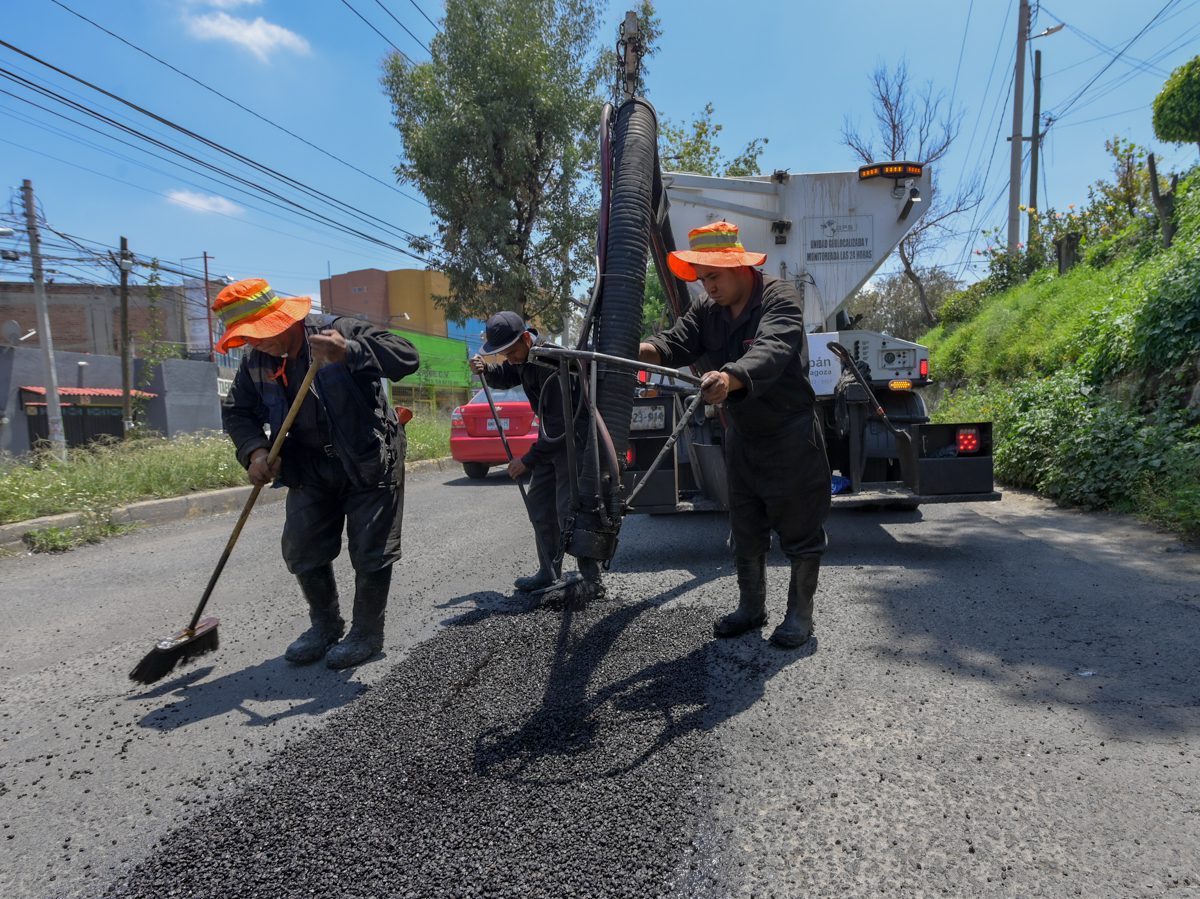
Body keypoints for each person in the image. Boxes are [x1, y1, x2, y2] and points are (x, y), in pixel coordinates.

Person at [638, 220, 830, 649]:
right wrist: (631, 349)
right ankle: (751, 607)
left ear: (741, 267)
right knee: (745, 523)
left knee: (800, 526)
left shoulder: (780, 297)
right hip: (743, 436)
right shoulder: (708, 311)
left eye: (713, 276)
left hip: (790, 434)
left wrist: (731, 377)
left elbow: (774, 348)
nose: (707, 287)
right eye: (702, 278)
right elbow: (673, 343)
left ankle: (800, 615)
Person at [216, 278, 420, 669]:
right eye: (249, 338)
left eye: (261, 334)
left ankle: (366, 633)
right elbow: (238, 412)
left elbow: (406, 357)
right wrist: (256, 452)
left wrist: (350, 352)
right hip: (307, 465)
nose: (257, 343)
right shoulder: (257, 362)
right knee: (301, 547)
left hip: (366, 458)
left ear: (283, 318)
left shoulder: (337, 331)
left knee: (371, 551)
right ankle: (326, 625)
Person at [470, 311, 581, 592]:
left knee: (570, 508)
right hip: (550, 442)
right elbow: (506, 376)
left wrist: (528, 461)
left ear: (525, 338)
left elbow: (559, 425)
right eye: (502, 354)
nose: (509, 358)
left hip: (572, 441)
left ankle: (589, 576)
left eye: (511, 351)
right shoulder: (522, 356)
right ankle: (548, 571)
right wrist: (487, 370)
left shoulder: (552, 362)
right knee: (540, 505)